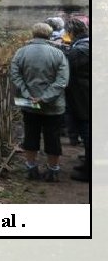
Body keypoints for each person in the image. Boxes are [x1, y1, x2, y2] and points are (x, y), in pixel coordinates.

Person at [10, 22, 69, 181]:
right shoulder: (58, 54)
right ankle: (53, 170)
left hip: (29, 104)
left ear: (32, 34)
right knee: (53, 137)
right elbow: (62, 80)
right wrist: (45, 97)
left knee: (30, 135)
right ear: (49, 35)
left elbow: (16, 76)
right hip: (53, 105)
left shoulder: (21, 53)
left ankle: (31, 168)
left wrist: (27, 94)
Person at [63, 17, 91, 182]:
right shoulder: (84, 45)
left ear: (72, 32)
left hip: (84, 96)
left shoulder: (81, 49)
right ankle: (87, 163)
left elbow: (69, 65)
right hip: (83, 94)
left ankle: (90, 170)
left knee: (87, 132)